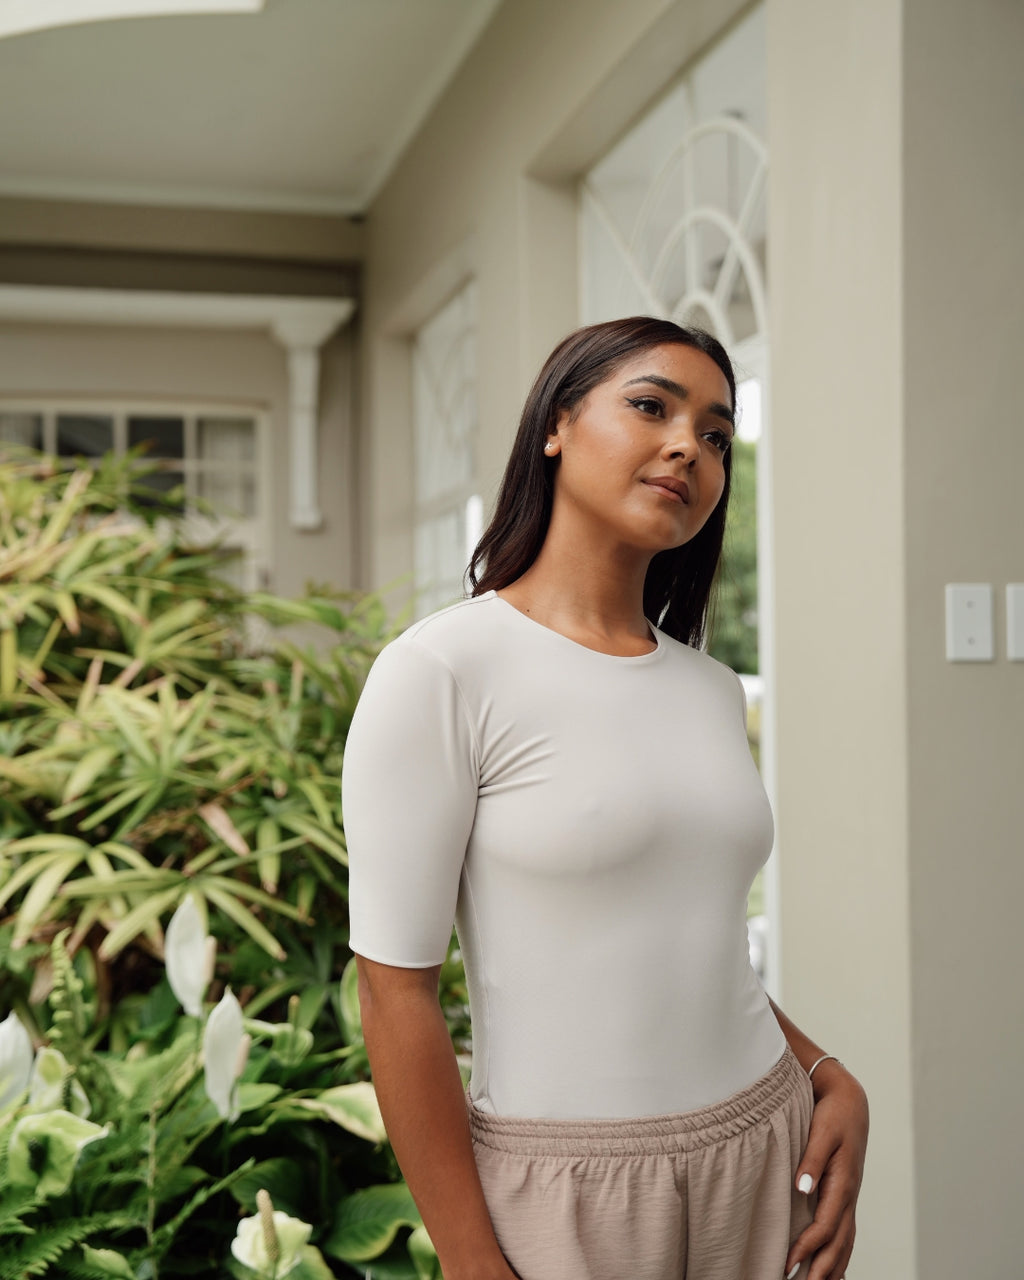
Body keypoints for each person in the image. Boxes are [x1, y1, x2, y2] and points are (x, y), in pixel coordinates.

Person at [342, 317, 868, 1280]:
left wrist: (828, 1075)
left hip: (763, 1144)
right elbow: (394, 988)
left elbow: (696, 942)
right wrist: (469, 1259)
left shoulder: (708, 689)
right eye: (650, 406)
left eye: (716, 435)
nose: (689, 447)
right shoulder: (442, 670)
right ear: (556, 423)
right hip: (568, 1193)